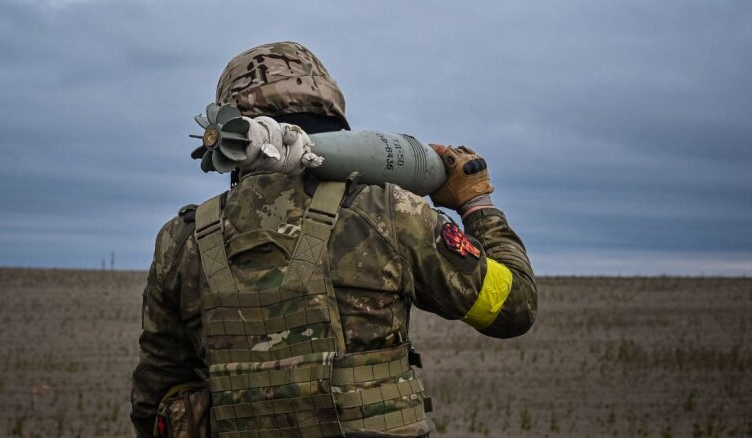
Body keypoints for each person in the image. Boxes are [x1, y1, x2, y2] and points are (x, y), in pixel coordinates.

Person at [131, 41, 537, 438]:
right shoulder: (390, 214)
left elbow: (157, 395)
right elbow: (513, 307)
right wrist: (477, 203)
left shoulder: (182, 239)